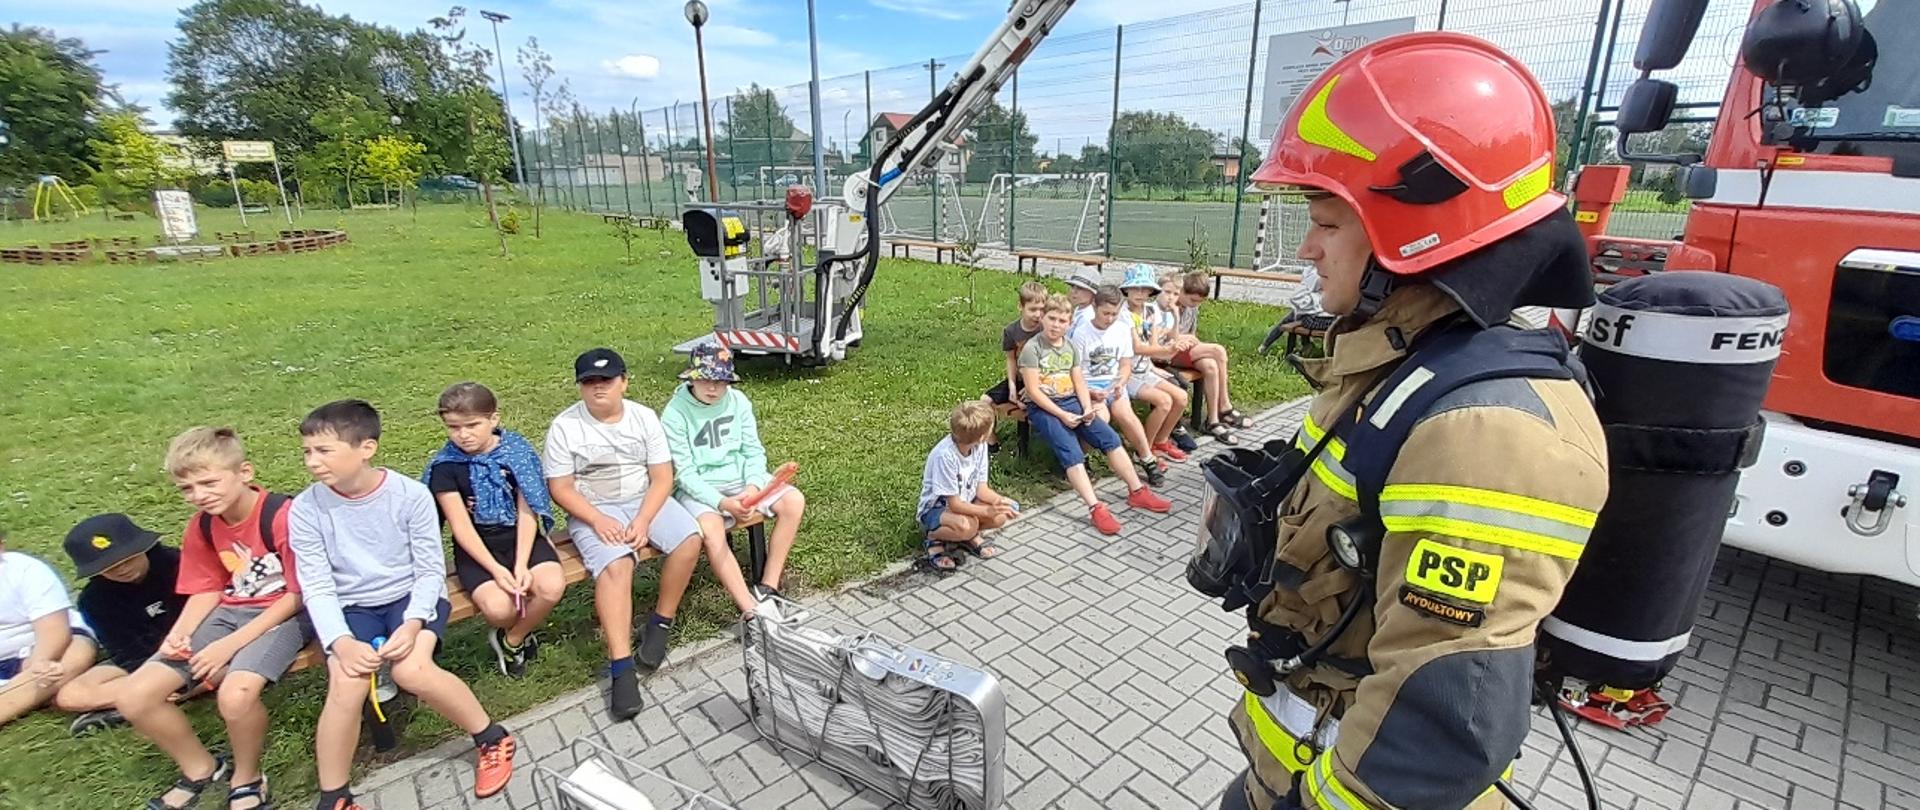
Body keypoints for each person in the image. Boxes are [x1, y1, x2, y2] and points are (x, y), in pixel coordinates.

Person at [1213, 33, 1608, 810]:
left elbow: (1436, 737)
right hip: (1286, 769)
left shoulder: (1490, 434)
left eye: (1328, 222)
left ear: (1419, 229)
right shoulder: (1396, 362)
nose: (1307, 248)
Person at [290, 401, 515, 810]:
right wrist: (340, 641)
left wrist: (412, 624)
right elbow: (317, 585)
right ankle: (335, 797)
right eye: (307, 451)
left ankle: (491, 737)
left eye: (323, 451)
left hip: (412, 597)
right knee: (346, 682)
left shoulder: (410, 495)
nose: (312, 462)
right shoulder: (306, 509)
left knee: (412, 670)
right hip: (353, 605)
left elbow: (429, 571)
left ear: (367, 448)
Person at [116, 427, 311, 810]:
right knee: (133, 696)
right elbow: (206, 588)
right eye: (186, 489)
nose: (199, 495)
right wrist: (179, 634)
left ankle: (247, 776)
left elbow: (298, 595)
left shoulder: (282, 516)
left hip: (287, 614)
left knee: (235, 695)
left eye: (208, 483)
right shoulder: (203, 525)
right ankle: (201, 768)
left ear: (244, 472)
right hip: (231, 610)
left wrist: (228, 646)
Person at [543, 348, 704, 721]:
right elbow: (560, 488)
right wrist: (597, 519)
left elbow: (662, 477)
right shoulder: (565, 427)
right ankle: (621, 667)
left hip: (643, 499)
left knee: (689, 539)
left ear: (624, 382)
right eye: (589, 382)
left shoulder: (643, 417)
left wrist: (645, 519)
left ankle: (660, 623)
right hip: (593, 508)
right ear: (580, 387)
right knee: (617, 564)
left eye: (607, 380)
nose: (598, 388)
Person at [424, 382, 567, 679]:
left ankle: (512, 640)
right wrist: (497, 571)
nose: (463, 435)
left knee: (551, 587)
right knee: (500, 610)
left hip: (521, 539)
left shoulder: (516, 453)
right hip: (478, 550)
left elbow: (528, 511)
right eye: (453, 427)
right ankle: (514, 628)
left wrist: (520, 564)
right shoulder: (445, 467)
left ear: (493, 419)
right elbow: (461, 527)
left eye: (472, 425)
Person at [660, 343, 806, 614]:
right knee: (712, 531)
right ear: (691, 377)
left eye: (721, 381)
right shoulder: (675, 413)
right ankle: (749, 609)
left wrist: (753, 487)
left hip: (740, 478)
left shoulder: (738, 401)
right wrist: (723, 503)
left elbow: (753, 451)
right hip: (701, 487)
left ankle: (768, 588)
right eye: (705, 380)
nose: (713, 388)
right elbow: (685, 473)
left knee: (793, 501)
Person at [1018, 293, 1172, 535]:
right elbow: (1033, 391)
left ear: (1069, 323)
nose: (1056, 325)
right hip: (1044, 407)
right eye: (1052, 318)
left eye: (1062, 321)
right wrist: (1062, 415)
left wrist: (1087, 408)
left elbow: (1078, 380)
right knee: (1072, 452)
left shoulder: (1069, 346)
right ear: (1043, 319)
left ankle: (1137, 491)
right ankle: (1095, 507)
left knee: (1110, 438)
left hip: (1072, 400)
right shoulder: (1032, 348)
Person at [60, 513, 191, 737]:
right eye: (109, 567)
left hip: (198, 648)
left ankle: (142, 700)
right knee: (70, 695)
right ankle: (156, 695)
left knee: (223, 666)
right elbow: (124, 652)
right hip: (146, 660)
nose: (122, 569)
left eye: (127, 559)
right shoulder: (94, 601)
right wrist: (152, 673)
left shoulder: (179, 564)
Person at [1069, 285, 1166, 487]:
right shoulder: (1082, 333)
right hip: (1089, 384)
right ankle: (1079, 458)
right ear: (1095, 307)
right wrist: (1090, 392)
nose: (1110, 319)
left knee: (1125, 414)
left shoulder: (1121, 330)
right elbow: (1074, 372)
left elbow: (1125, 364)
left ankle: (1146, 457)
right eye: (1105, 313)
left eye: (1114, 314)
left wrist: (1121, 382)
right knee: (1100, 417)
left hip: (1113, 382)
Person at [0, 533, 97, 730]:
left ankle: (21, 698)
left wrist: (39, 662)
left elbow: (55, 630)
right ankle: (33, 696)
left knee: (77, 654)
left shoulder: (25, 570)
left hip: (47, 646)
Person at [916, 401, 1019, 571]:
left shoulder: (980, 447)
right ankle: (934, 537)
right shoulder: (945, 456)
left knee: (1000, 517)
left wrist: (1000, 502)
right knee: (967, 526)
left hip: (966, 502)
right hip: (938, 509)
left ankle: (964, 536)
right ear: (982, 436)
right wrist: (986, 511)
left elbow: (981, 489)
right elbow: (954, 504)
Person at [1117, 266, 1193, 464]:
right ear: (1126, 290)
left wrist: (1170, 345)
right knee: (1164, 401)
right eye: (1136, 288)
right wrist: (1168, 350)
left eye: (1145, 289)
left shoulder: (1150, 310)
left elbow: (1154, 345)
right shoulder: (1123, 314)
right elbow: (1138, 348)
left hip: (1144, 369)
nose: (1140, 293)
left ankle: (1161, 441)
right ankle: (1144, 451)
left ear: (1151, 291)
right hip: (1127, 373)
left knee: (1181, 397)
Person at [1170, 271, 1252, 444]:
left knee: (1210, 366)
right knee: (1218, 351)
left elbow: (1192, 334)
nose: (1195, 304)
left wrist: (1193, 341)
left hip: (1186, 350)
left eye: (1199, 302)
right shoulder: (1169, 306)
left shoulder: (1192, 308)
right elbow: (1166, 337)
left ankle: (1212, 420)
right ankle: (1225, 406)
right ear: (1181, 291)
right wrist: (1188, 340)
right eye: (1193, 300)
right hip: (1169, 352)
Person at [982, 280, 1050, 412]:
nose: (1038, 315)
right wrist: (1012, 385)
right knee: (985, 400)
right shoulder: (1011, 331)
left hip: (1041, 379)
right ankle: (987, 425)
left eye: (1042, 309)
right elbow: (1011, 359)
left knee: (1027, 405)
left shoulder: (1046, 330)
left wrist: (1034, 385)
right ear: (1020, 306)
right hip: (1019, 378)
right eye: (1032, 309)